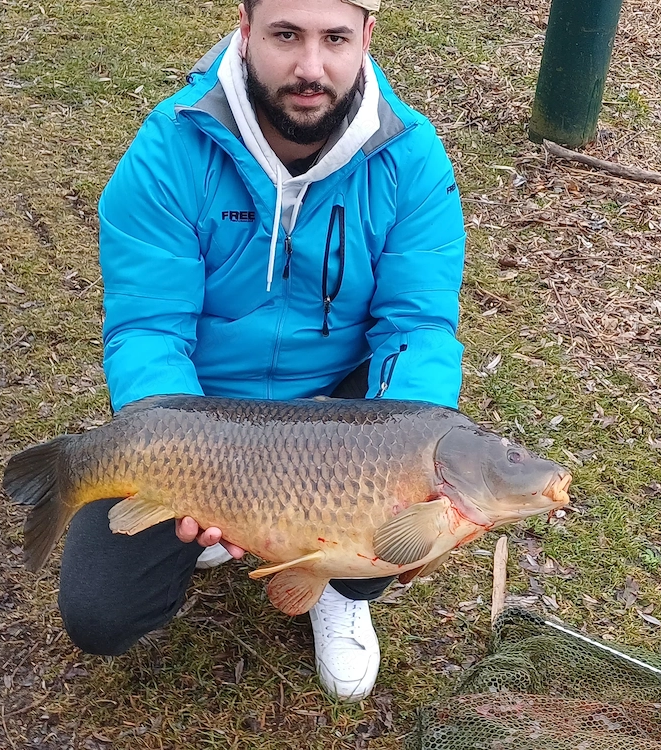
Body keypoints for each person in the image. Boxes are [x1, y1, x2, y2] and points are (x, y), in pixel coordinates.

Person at [57, 0, 466, 702]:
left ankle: (343, 583)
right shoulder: (169, 150)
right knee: (100, 612)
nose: (311, 67)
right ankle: (227, 527)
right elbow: (150, 332)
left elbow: (418, 329)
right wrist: (189, 464)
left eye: (335, 38)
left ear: (366, 37)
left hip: (340, 412)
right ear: (244, 33)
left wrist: (403, 454)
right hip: (202, 419)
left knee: (419, 483)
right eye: (285, 35)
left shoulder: (411, 157)